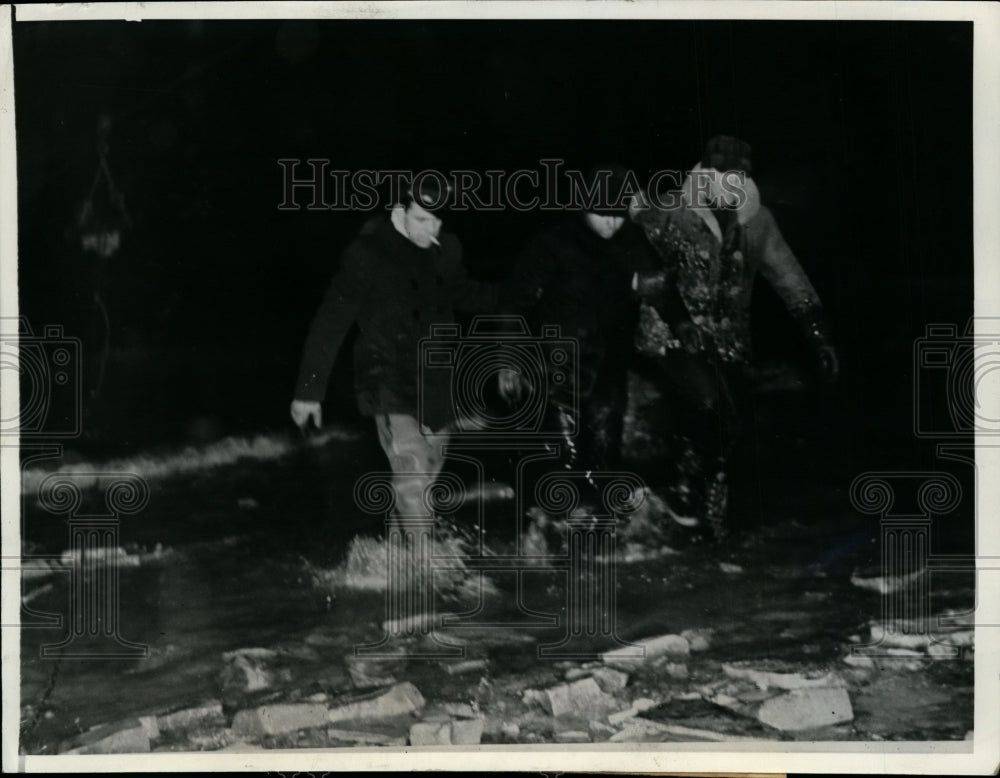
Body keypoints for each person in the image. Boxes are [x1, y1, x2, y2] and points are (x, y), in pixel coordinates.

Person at [630, 135, 839, 539]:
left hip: (727, 341)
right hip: (669, 333)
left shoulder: (759, 224)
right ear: (702, 172)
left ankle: (709, 521)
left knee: (734, 425)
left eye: (736, 175)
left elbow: (790, 278)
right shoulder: (668, 210)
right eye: (717, 174)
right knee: (706, 401)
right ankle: (686, 494)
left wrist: (820, 336)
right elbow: (623, 248)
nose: (726, 184)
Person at [290, 178, 497, 525]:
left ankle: (402, 553)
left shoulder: (446, 248)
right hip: (385, 378)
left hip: (436, 380)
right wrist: (308, 392)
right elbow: (330, 321)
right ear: (399, 212)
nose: (431, 229)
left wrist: (520, 296)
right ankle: (421, 566)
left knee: (426, 476)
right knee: (412, 466)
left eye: (437, 221)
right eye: (422, 219)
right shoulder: (366, 254)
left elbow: (462, 293)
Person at [498, 164, 697, 506]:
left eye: (619, 215)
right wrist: (509, 359)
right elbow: (513, 304)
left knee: (604, 448)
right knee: (558, 452)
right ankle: (540, 528)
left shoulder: (633, 240)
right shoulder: (552, 244)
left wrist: (681, 322)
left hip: (608, 360)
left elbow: (659, 288)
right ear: (583, 208)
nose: (611, 222)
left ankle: (599, 525)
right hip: (556, 363)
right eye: (602, 213)